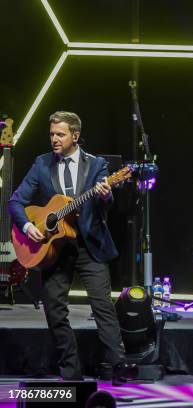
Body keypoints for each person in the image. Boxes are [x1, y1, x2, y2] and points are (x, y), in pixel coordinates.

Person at [8, 111, 133, 385]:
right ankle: (70, 371)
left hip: (90, 245)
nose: (54, 139)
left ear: (75, 136)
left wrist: (107, 193)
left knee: (103, 306)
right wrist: (29, 227)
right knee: (54, 309)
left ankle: (119, 365)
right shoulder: (41, 164)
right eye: (52, 133)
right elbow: (16, 202)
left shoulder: (97, 165)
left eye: (60, 134)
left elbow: (104, 205)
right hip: (54, 249)